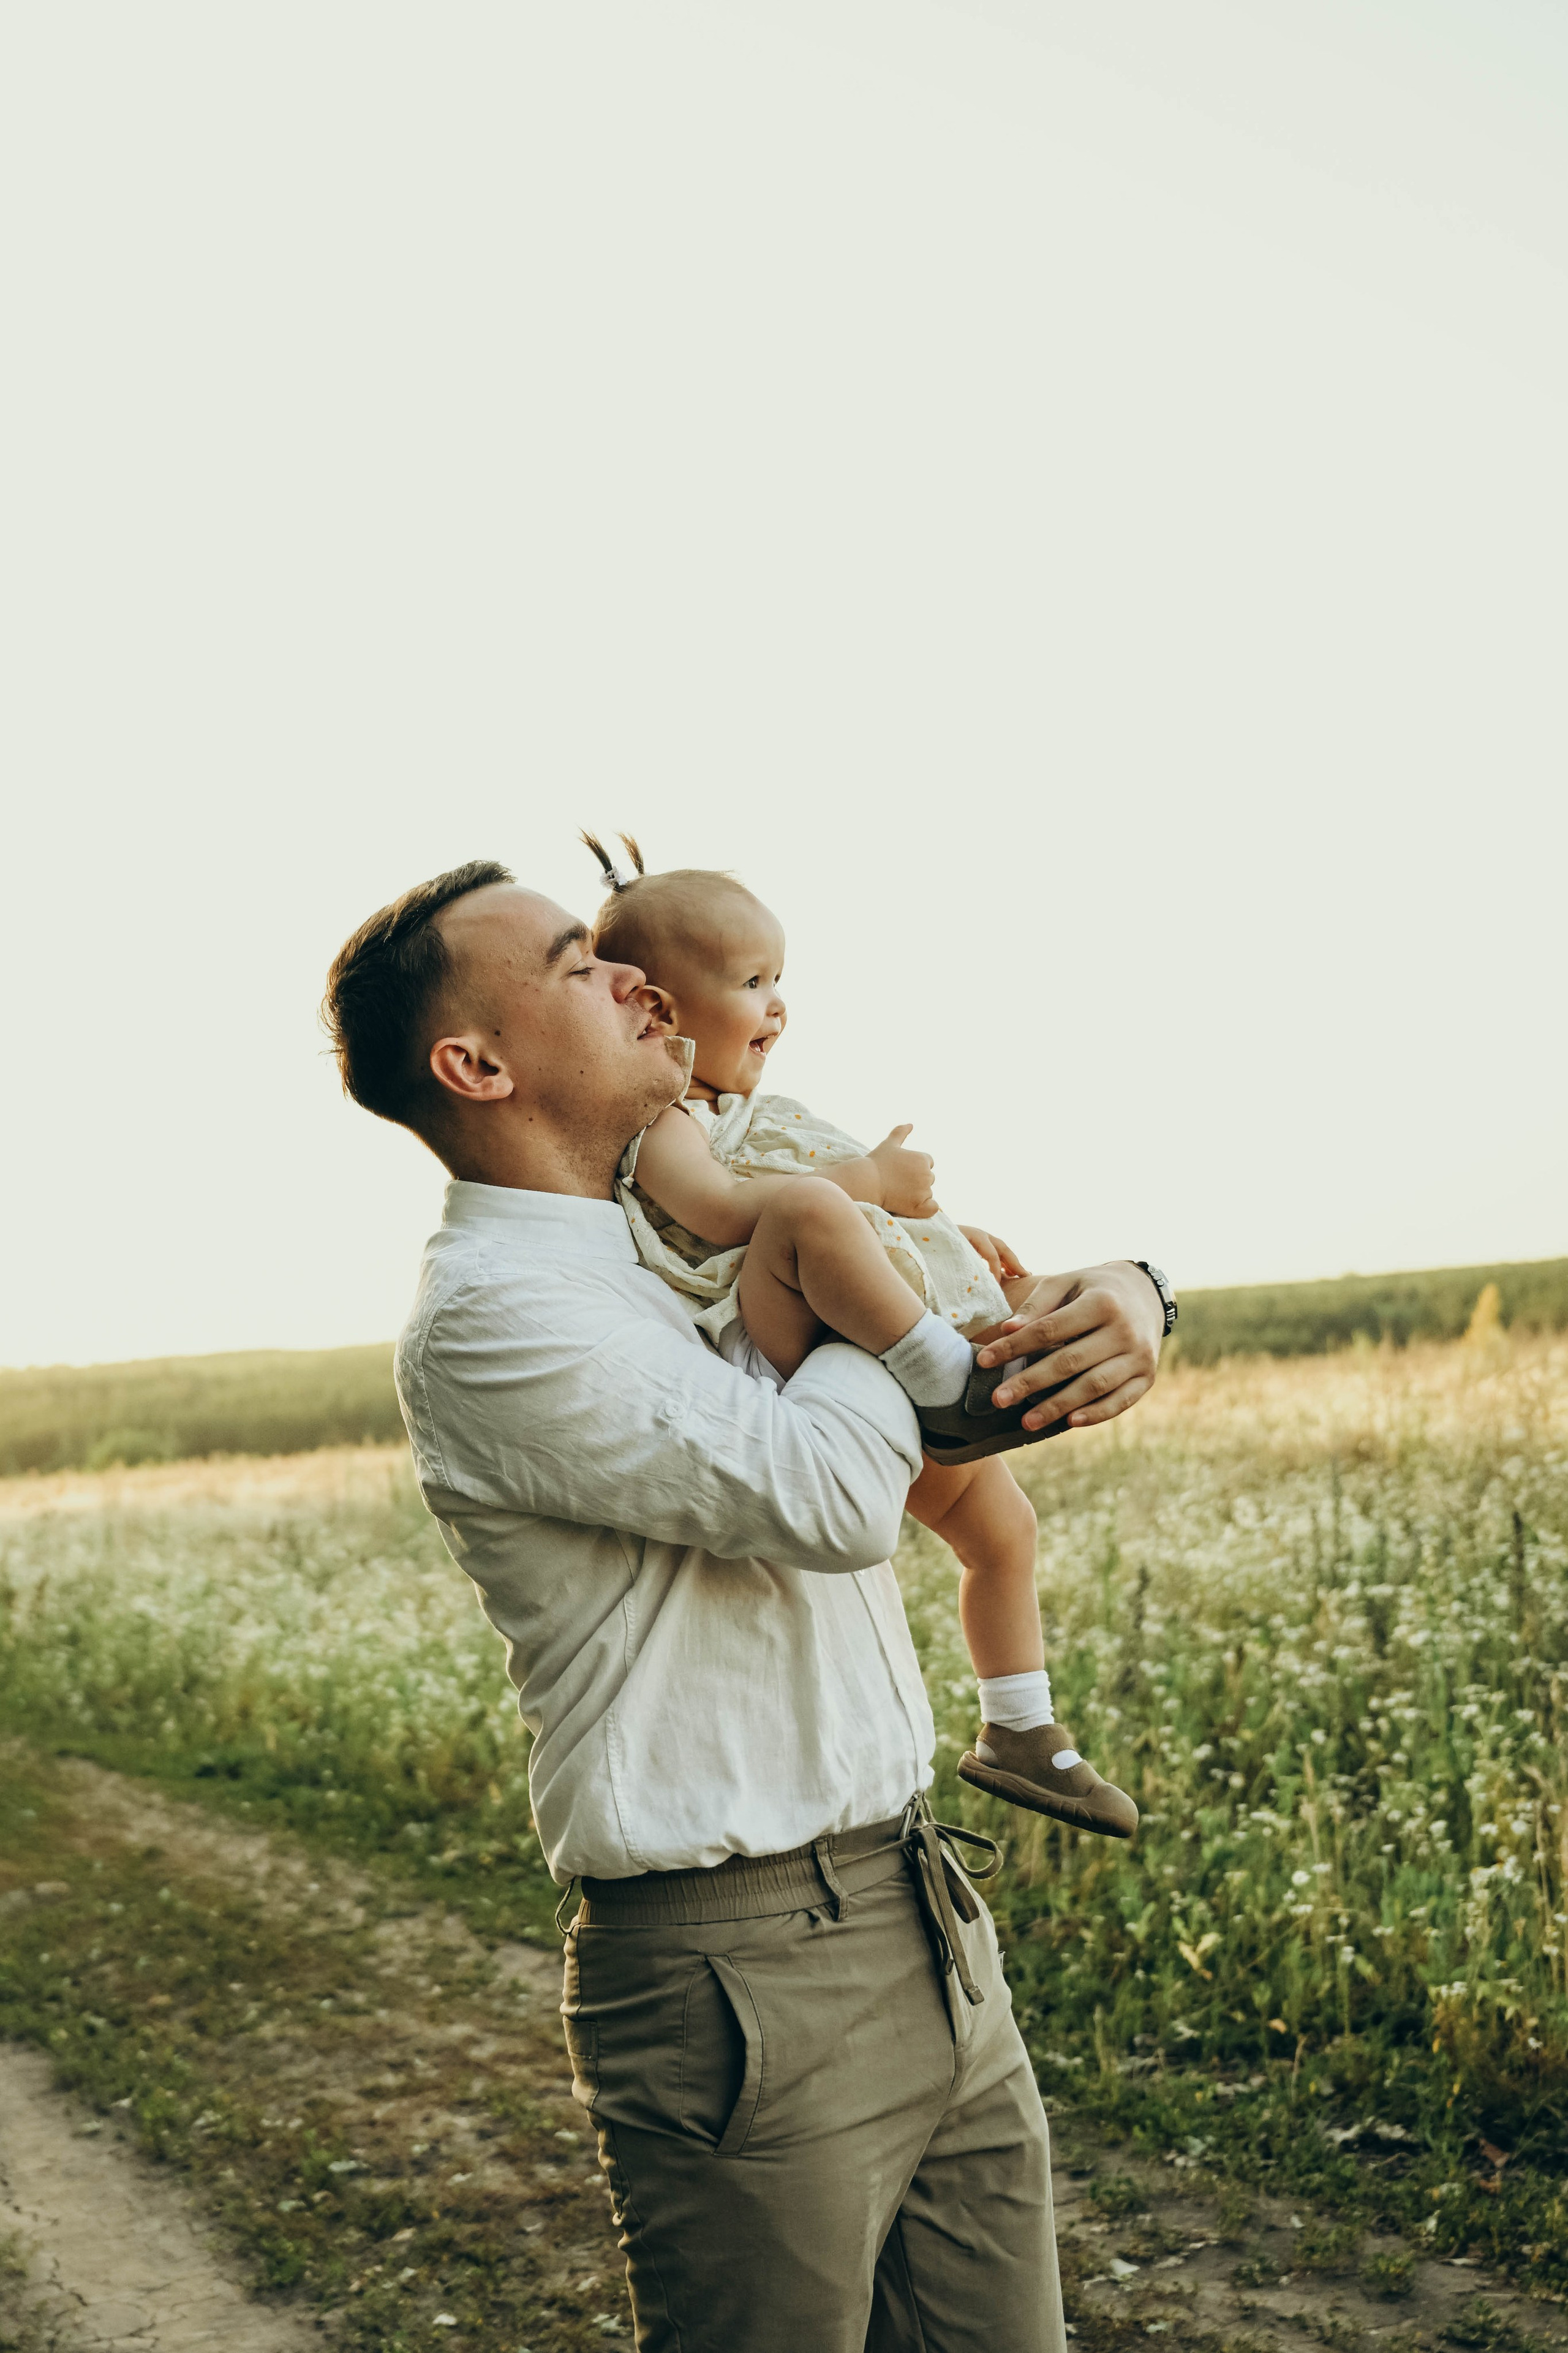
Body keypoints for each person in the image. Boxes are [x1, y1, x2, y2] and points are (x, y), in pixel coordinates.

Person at [321, 858, 1169, 2353]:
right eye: (585, 966)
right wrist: (866, 1279)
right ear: (475, 1064)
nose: (641, 981)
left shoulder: (694, 1236)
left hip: (921, 1906)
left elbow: (933, 1404)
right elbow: (842, 1493)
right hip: (737, 1974)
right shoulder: (499, 1318)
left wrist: (1136, 1293)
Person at [582, 831, 1137, 1837]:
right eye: (753, 980)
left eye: (781, 978)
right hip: (780, 1327)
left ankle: (1021, 1727)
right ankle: (948, 1383)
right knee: (803, 1210)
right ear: (660, 1008)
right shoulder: (665, 1119)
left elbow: (844, 1227)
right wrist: (871, 1186)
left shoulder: (760, 1108)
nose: (780, 1004)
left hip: (851, 1337)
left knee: (1003, 1530)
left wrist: (930, 1236)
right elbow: (723, 1213)